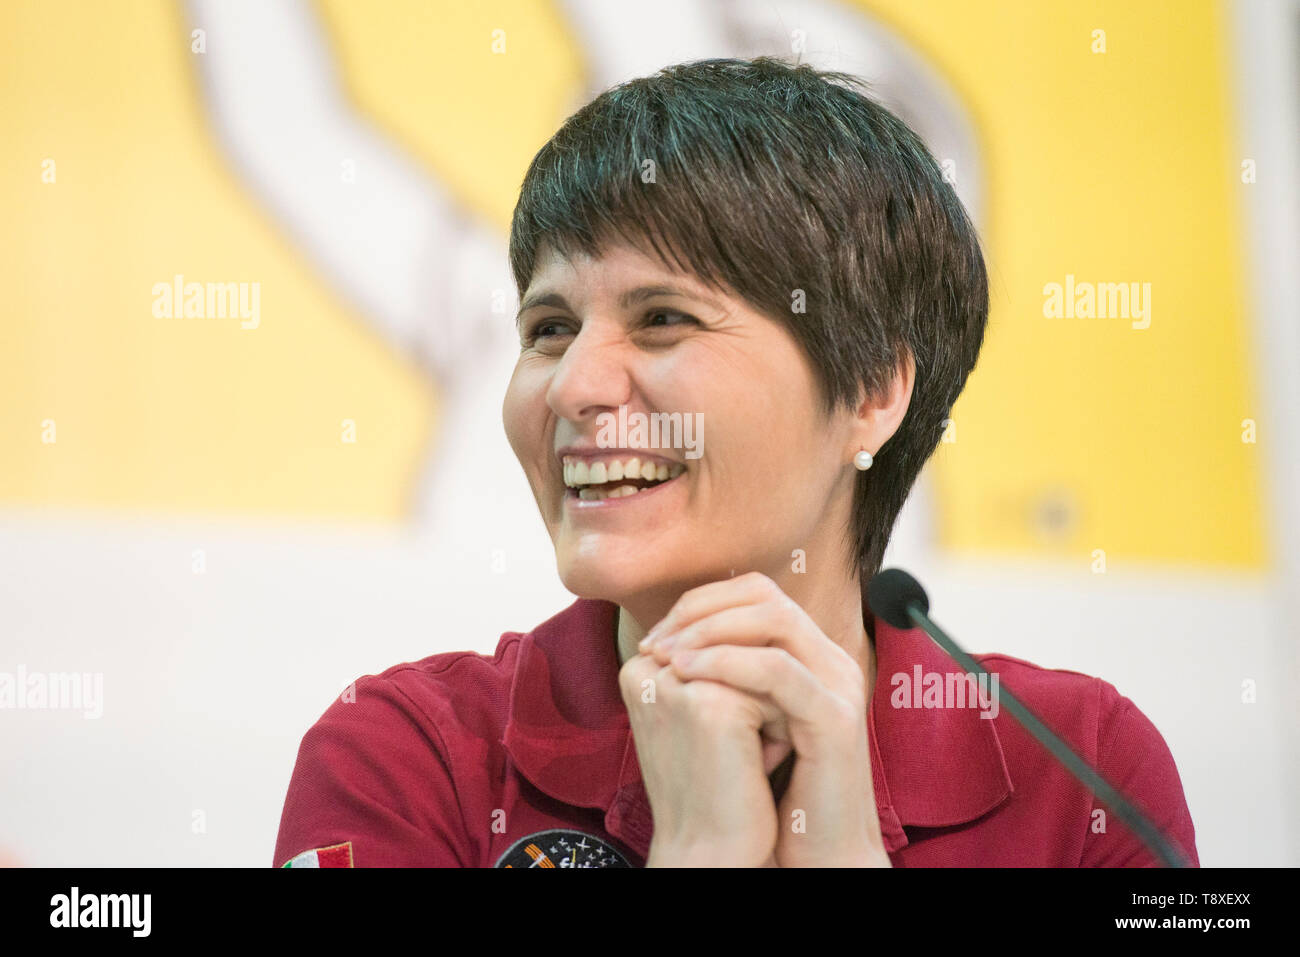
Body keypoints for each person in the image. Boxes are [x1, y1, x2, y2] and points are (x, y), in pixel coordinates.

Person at [273, 56, 1198, 868]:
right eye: (549, 328)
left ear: (873, 391)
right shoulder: (406, 756)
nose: (572, 387)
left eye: (663, 319)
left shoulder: (1082, 770)